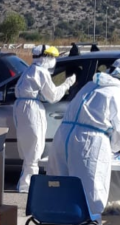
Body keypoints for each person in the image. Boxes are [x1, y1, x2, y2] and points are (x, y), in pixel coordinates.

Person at [34, 58, 120, 225]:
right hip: (89, 143)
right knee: (91, 194)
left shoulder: (90, 86)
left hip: (62, 137)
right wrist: (116, 147)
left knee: (60, 191)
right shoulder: (117, 94)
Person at [13, 45, 76, 193]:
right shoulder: (41, 72)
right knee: (34, 148)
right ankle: (28, 185)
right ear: (46, 57)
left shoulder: (29, 70)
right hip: (31, 110)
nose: (54, 61)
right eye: (53, 57)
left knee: (29, 149)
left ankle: (25, 183)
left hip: (22, 109)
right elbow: (53, 96)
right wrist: (68, 83)